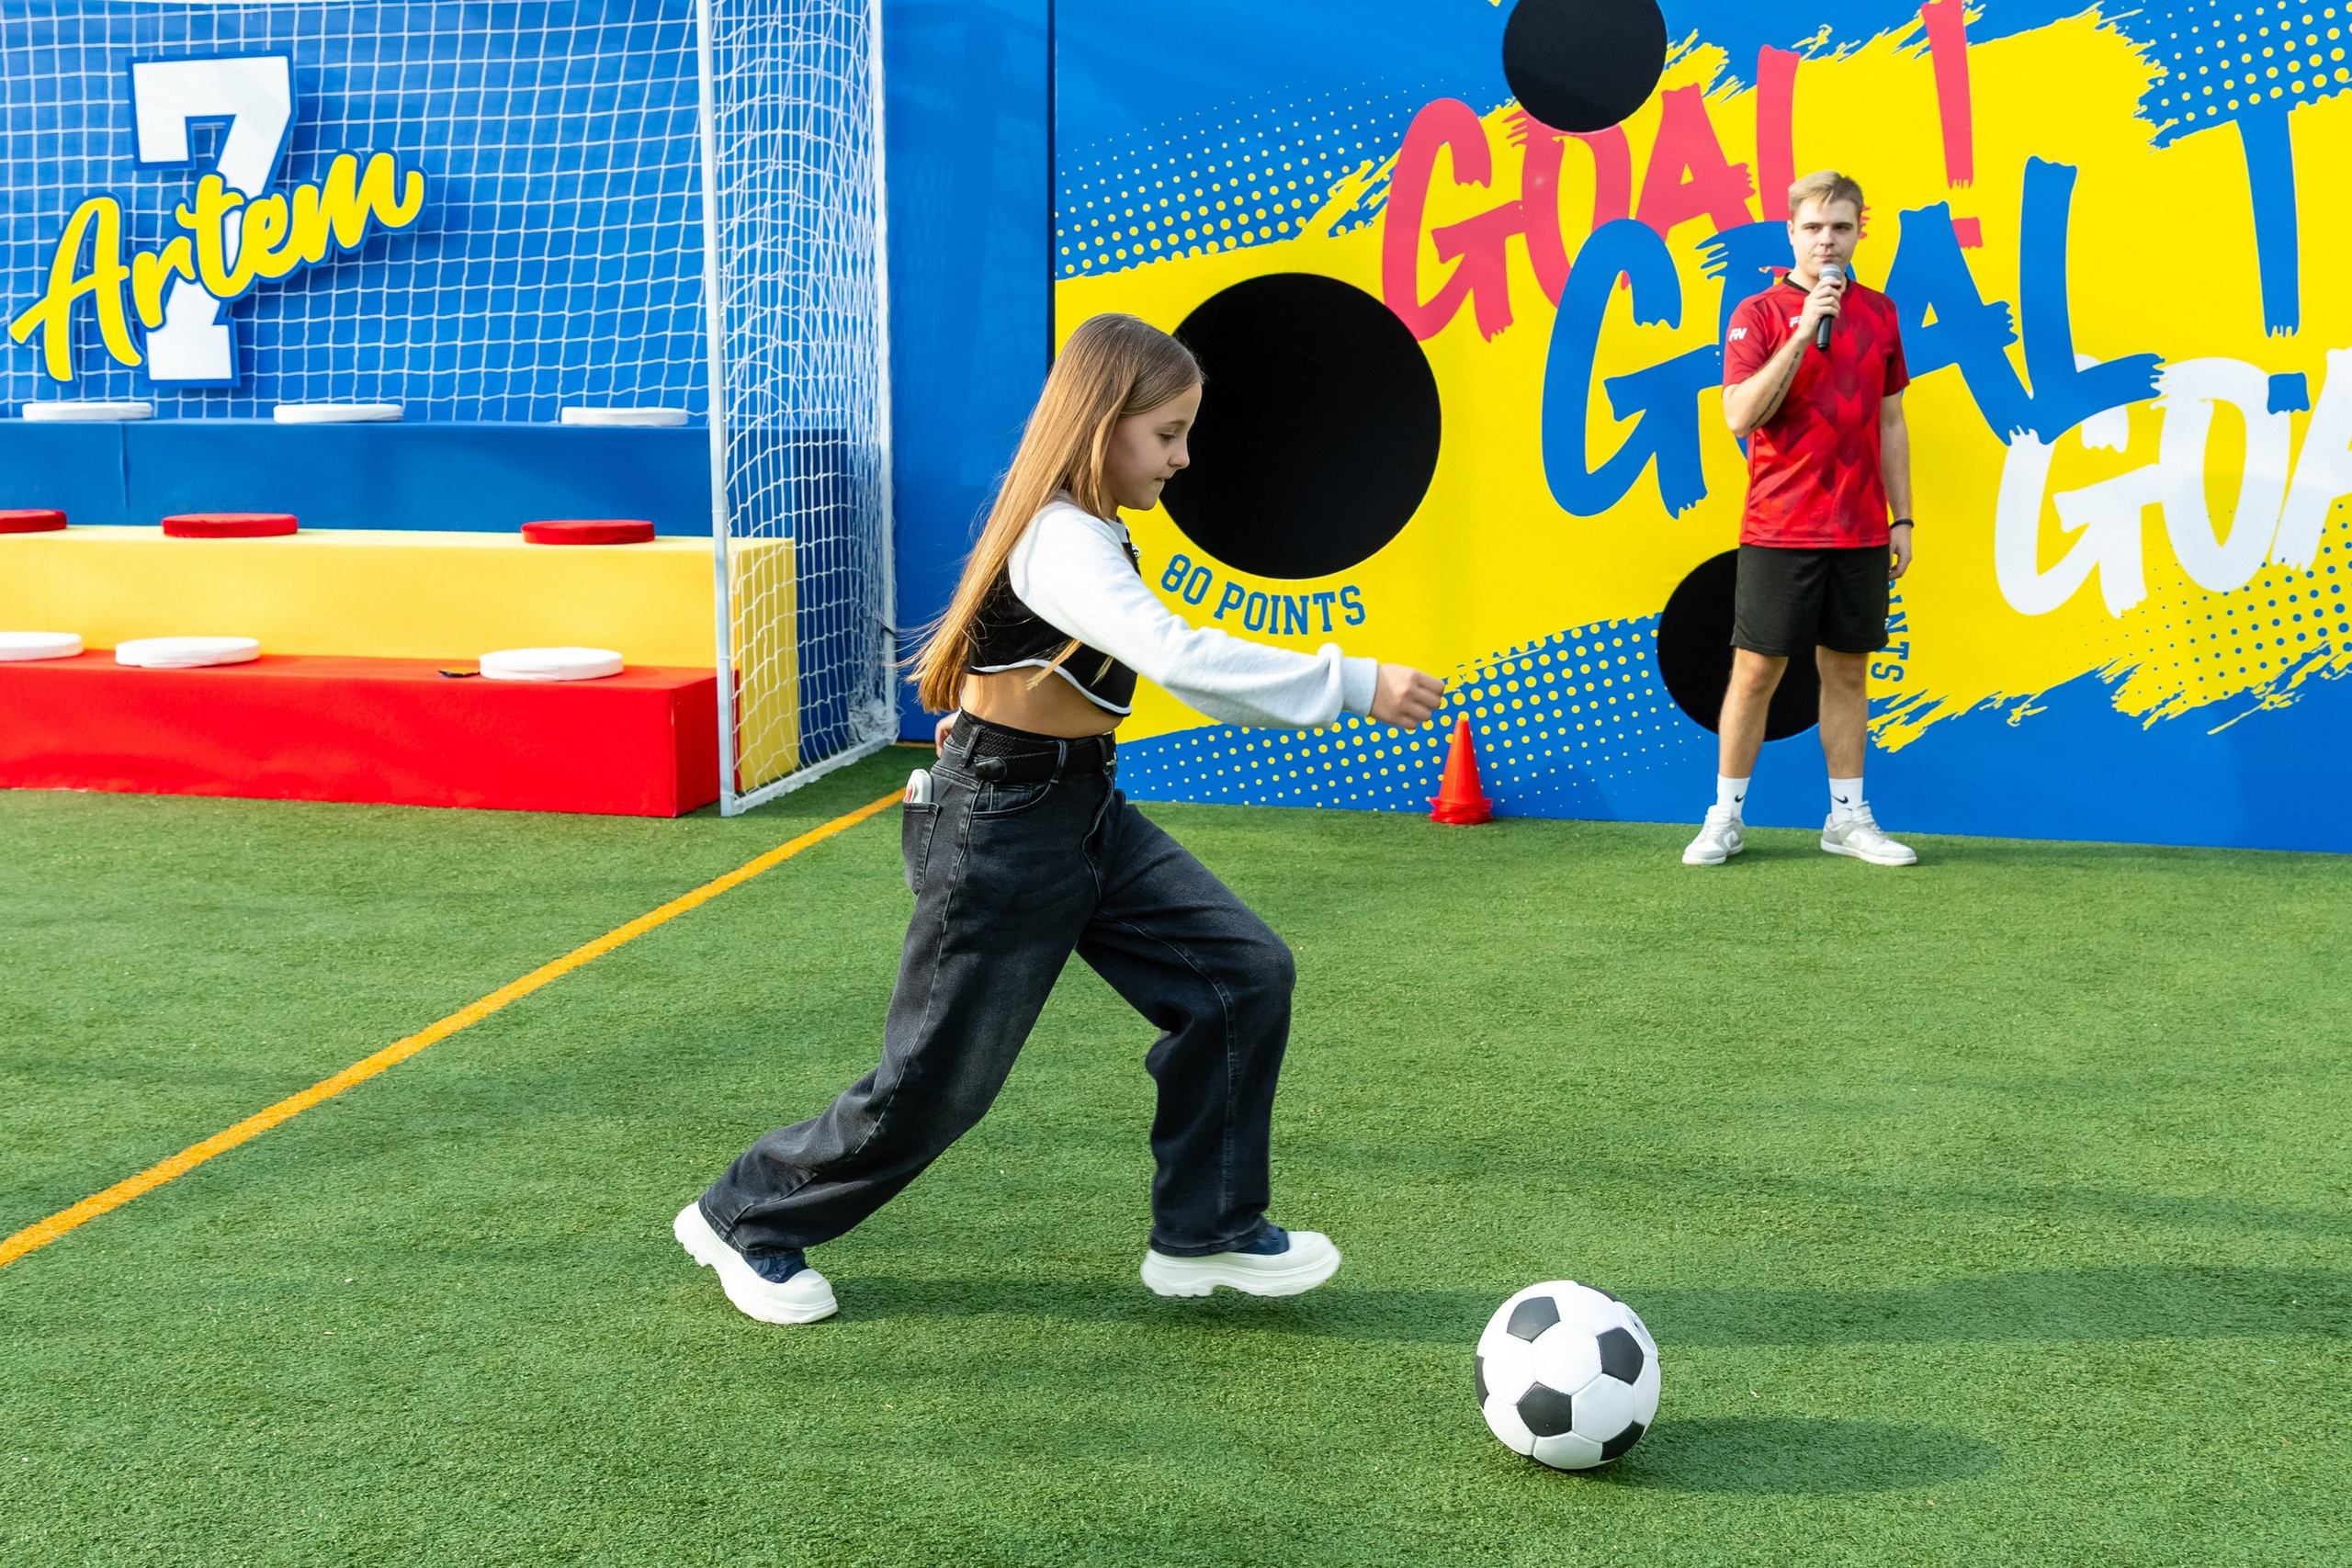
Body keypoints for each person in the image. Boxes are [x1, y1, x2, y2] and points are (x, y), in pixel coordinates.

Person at [675, 312, 1448, 1324]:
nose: (1182, 457)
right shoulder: (1060, 537)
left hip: (1078, 804)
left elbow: (1161, 669)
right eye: (1166, 433)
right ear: (1100, 425)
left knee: (1239, 976)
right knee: (936, 1086)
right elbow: (1174, 657)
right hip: (1001, 824)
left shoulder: (1085, 532)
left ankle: (1204, 1232)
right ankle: (746, 1215)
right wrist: (1354, 682)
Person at [1683, 170, 1918, 869]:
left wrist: (1903, 518)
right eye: (1814, 228)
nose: (1828, 241)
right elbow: (1737, 413)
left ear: (1859, 232)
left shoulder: (1880, 313)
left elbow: (1892, 420)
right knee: (1755, 672)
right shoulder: (1756, 314)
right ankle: (1723, 817)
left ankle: (1847, 819)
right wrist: (1802, 330)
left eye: (1841, 228)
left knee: (1847, 673)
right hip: (1780, 525)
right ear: (1791, 233)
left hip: (1861, 529)